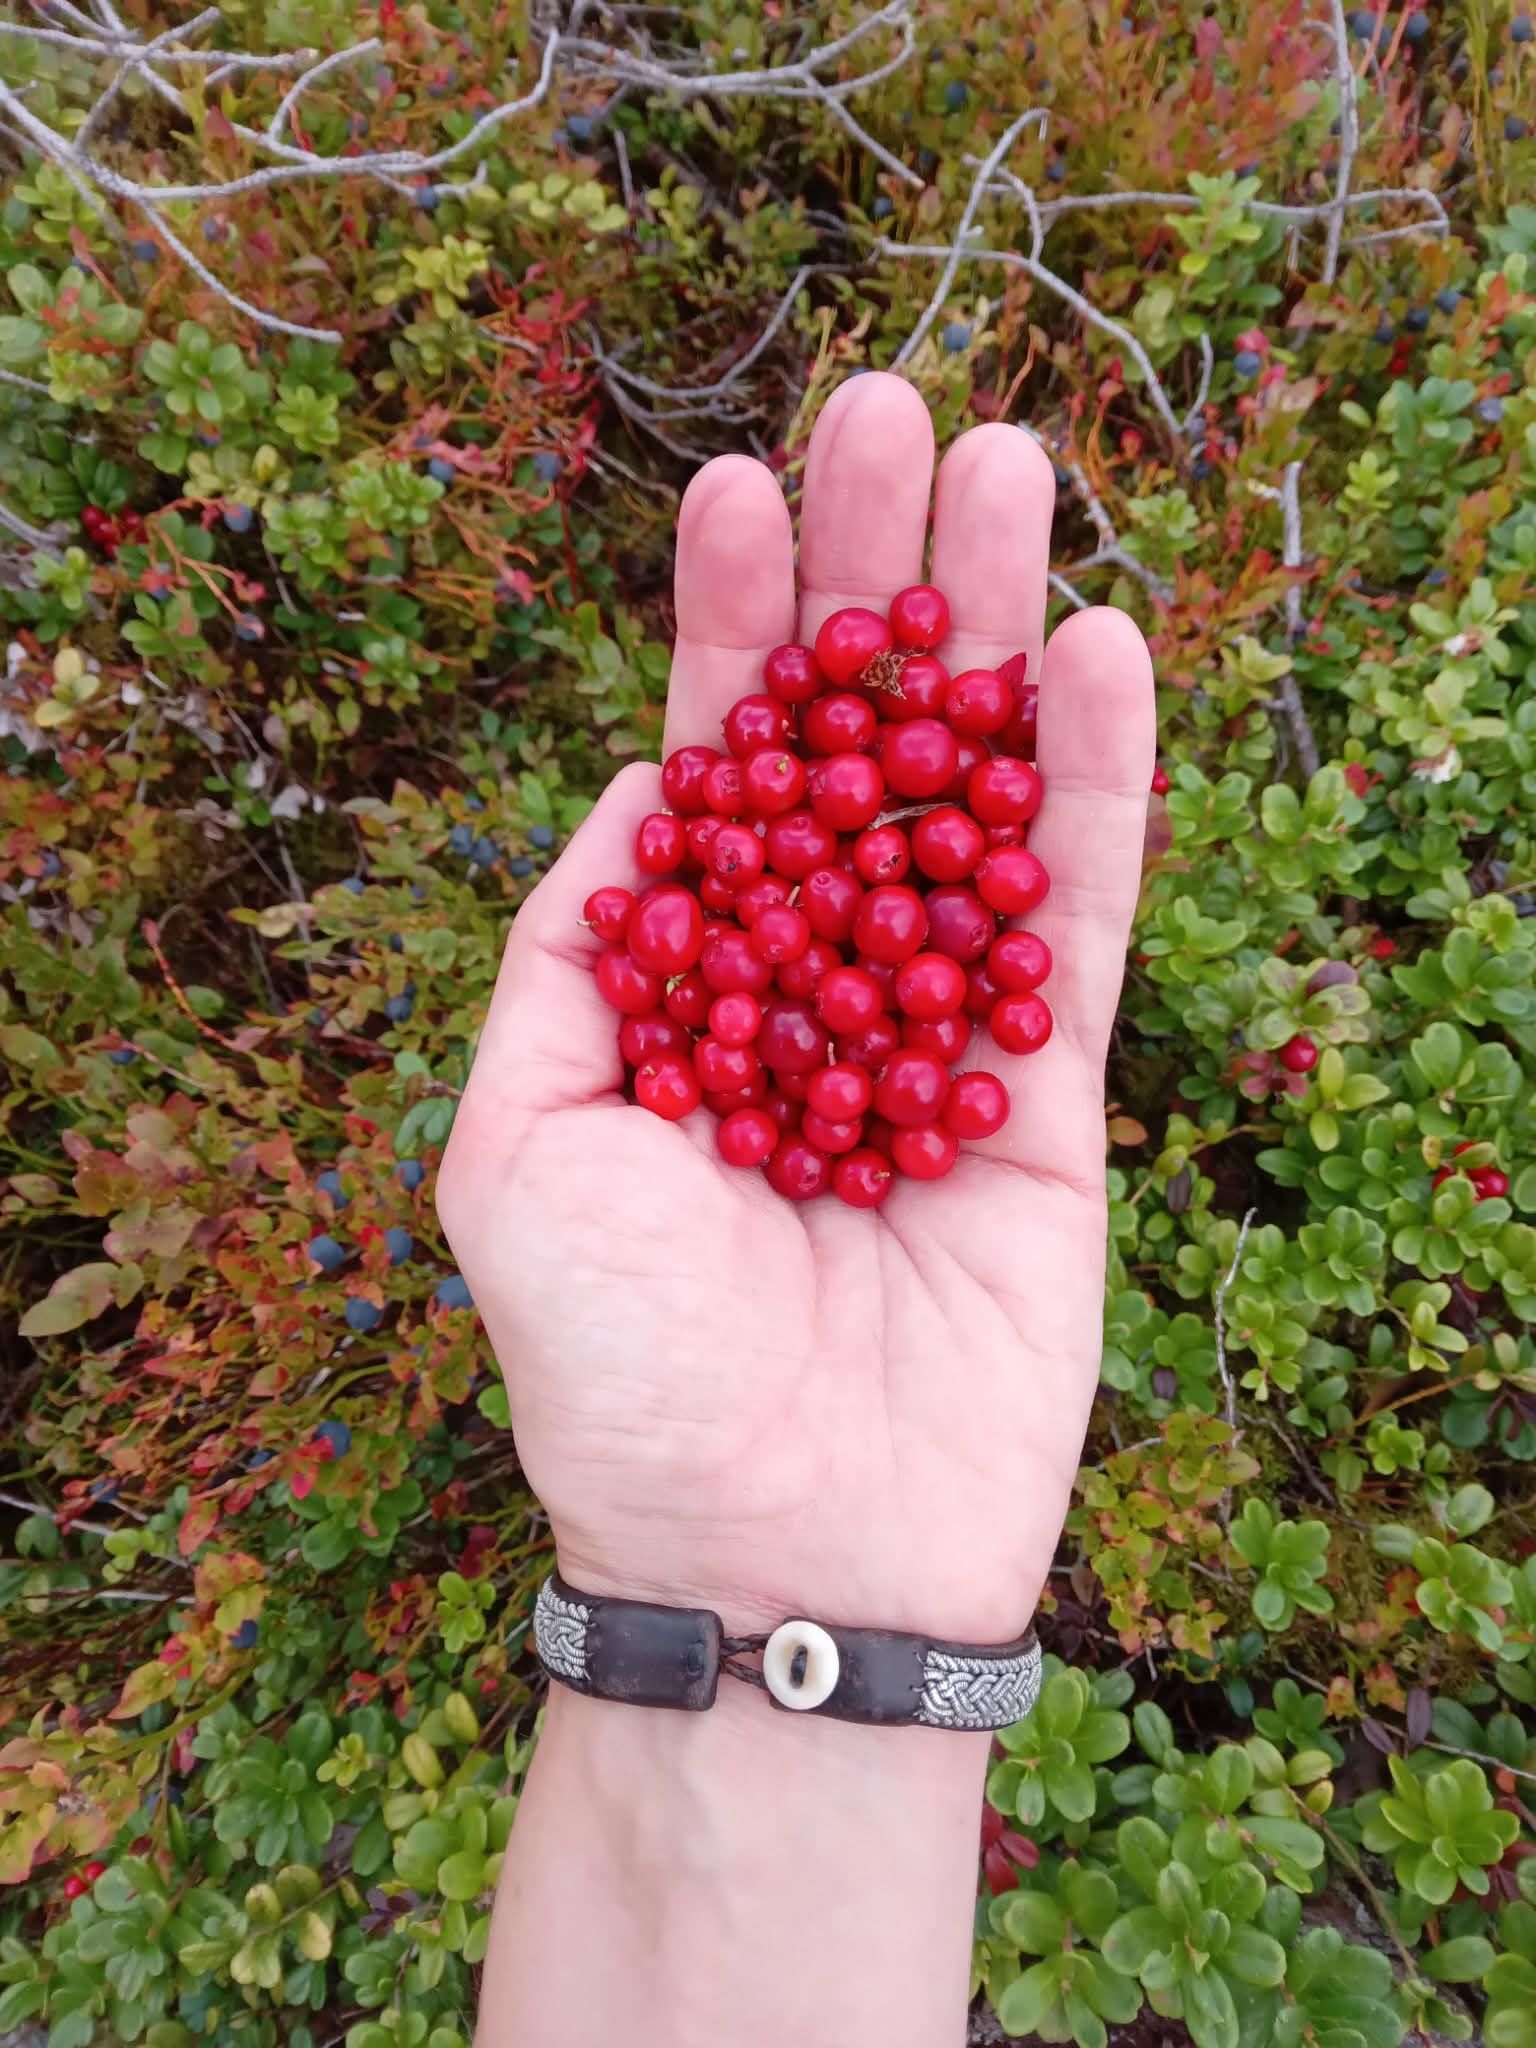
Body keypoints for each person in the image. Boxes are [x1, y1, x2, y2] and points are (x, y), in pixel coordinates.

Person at [438, 370, 1155, 2046]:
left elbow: (940, 976)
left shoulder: (918, 907)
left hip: (861, 1087)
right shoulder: (787, 871)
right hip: (821, 1087)